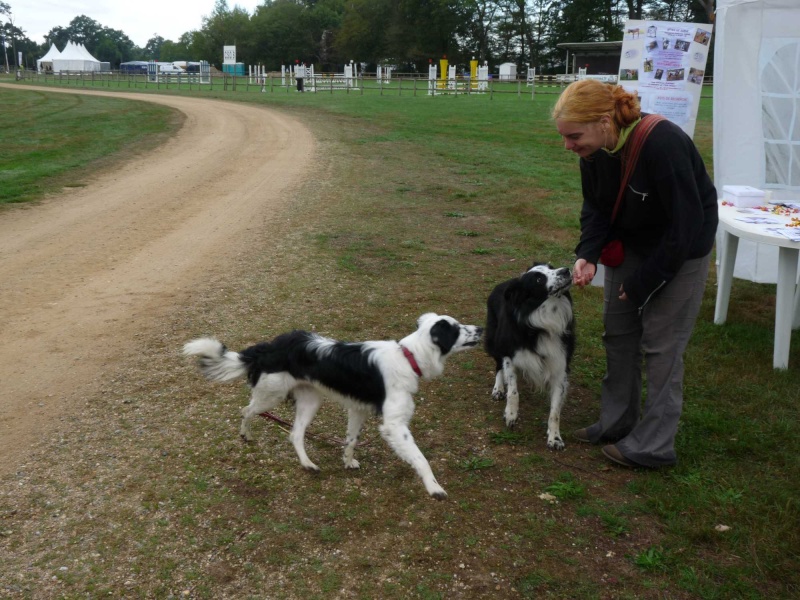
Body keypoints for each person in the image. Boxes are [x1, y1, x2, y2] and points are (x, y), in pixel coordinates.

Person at [552, 79, 718, 468]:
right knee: (618, 332)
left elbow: (686, 226)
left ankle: (655, 445)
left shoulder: (664, 143)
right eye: (565, 138)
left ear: (606, 121)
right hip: (634, 244)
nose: (569, 146)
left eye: (574, 136)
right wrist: (588, 254)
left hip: (682, 249)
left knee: (662, 345)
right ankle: (616, 422)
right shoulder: (593, 151)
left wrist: (645, 282)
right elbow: (595, 207)